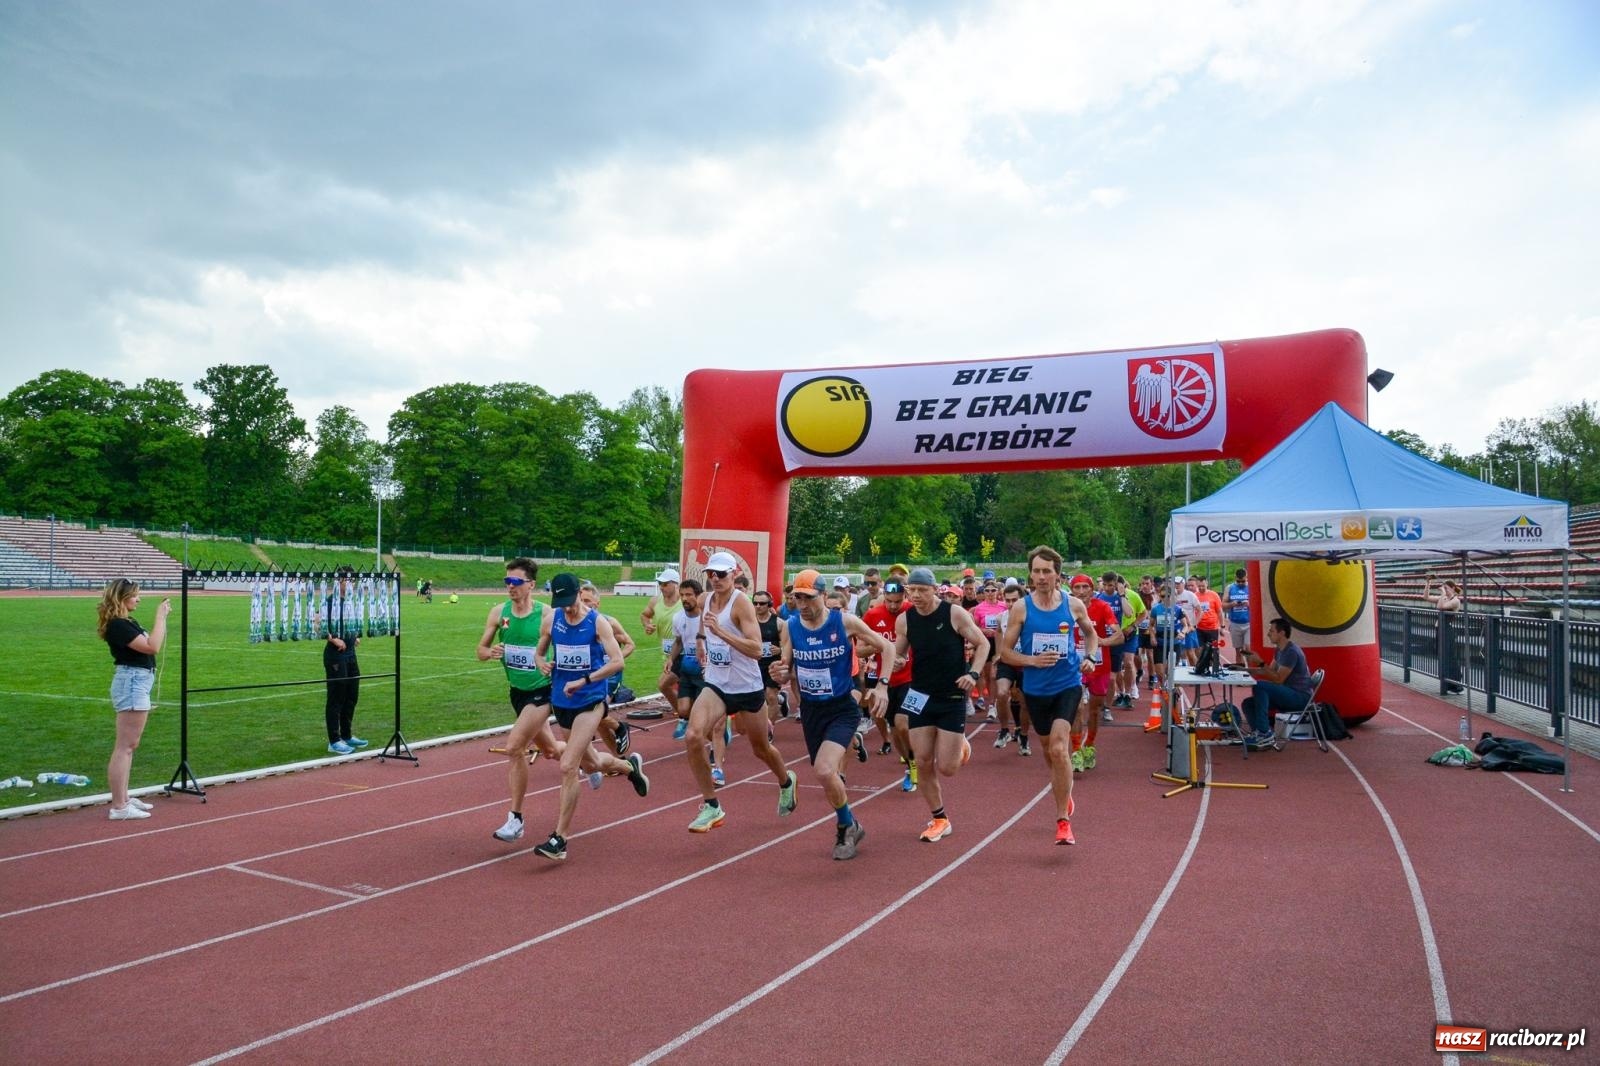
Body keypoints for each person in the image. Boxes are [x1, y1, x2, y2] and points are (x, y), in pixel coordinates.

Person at [769, 569, 893, 860]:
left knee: (825, 769)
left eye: (808, 598)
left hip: (842, 707)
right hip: (812, 710)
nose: (802, 604)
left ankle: (845, 826)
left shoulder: (844, 622)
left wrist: (883, 687)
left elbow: (886, 646)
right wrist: (781, 671)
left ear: (823, 596)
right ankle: (849, 823)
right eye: (797, 597)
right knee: (825, 775)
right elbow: (785, 664)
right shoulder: (791, 626)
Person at [528, 573, 650, 860]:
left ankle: (559, 839)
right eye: (561, 603)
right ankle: (629, 767)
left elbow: (618, 660)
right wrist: (542, 663)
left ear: (578, 595)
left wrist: (585, 680)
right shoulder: (552, 620)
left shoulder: (597, 622)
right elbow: (539, 652)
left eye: (570, 602)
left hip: (590, 701)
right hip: (562, 701)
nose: (567, 608)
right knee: (592, 763)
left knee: (568, 765)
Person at [685, 551, 798, 832]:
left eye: (721, 574)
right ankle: (711, 805)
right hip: (717, 683)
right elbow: (704, 623)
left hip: (747, 687)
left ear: (734, 574)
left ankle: (786, 781)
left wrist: (721, 634)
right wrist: (701, 640)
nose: (715, 578)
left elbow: (756, 648)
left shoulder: (742, 605)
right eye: (711, 574)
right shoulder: (704, 600)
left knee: (760, 748)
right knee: (693, 735)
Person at [1000, 546, 1100, 846]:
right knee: (1049, 751)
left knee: (1059, 749)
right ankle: (1062, 785)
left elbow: (1091, 634)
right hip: (1035, 689)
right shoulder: (1021, 608)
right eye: (1036, 571)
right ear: (1030, 574)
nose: (1041, 576)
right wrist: (1031, 661)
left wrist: (1091, 657)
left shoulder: (1072, 605)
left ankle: (1062, 821)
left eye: (1047, 571)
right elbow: (1005, 652)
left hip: (1067, 683)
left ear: (1058, 574)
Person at [893, 566, 988, 843]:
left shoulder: (953, 614)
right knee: (921, 760)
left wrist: (972, 673)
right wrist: (896, 661)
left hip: (951, 695)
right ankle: (939, 818)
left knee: (947, 768)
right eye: (913, 591)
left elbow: (982, 644)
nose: (917, 596)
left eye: (923, 590)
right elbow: (898, 653)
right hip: (920, 694)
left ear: (934, 590)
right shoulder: (905, 620)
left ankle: (961, 746)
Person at [479, 557, 567, 842]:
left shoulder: (547, 614)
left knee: (515, 746)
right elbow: (480, 649)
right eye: (507, 581)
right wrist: (490, 651)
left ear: (531, 585)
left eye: (515, 582)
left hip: (542, 691)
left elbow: (566, 646)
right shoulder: (498, 612)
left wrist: (551, 664)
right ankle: (612, 764)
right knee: (552, 750)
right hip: (517, 691)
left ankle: (515, 819)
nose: (510, 587)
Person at [99, 578, 169, 821]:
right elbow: (152, 647)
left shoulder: (126, 621)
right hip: (132, 682)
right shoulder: (118, 625)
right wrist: (160, 617)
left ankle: (124, 798)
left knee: (130, 745)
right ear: (122, 597)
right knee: (125, 746)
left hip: (137, 681)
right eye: (135, 595)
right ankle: (119, 806)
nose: (139, 599)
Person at [862, 578, 919, 788]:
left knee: (904, 723)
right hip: (884, 682)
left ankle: (916, 764)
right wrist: (883, 647)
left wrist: (903, 656)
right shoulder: (872, 615)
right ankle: (911, 762)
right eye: (889, 601)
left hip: (912, 678)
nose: (893, 606)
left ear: (904, 597)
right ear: (882, 597)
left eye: (897, 601)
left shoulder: (913, 612)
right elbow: (859, 648)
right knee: (895, 730)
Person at [1238, 618, 1314, 749]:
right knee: (1248, 703)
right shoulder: (1279, 650)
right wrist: (1245, 670)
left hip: (1299, 697)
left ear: (1282, 633)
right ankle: (1260, 734)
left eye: (1271, 631)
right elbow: (1270, 671)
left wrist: (1260, 662)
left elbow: (1278, 679)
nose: (1268, 634)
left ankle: (1264, 732)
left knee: (1260, 686)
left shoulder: (1291, 652)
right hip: (1288, 693)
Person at [322, 566, 367, 754]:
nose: (351, 583)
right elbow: (319, 622)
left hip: (350, 655)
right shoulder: (331, 601)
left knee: (351, 696)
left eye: (353, 580)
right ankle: (334, 741)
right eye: (348, 580)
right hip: (335, 655)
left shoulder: (350, 601)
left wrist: (353, 636)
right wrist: (333, 638)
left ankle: (347, 735)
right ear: (338, 582)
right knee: (336, 698)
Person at [642, 566, 684, 705]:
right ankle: (686, 711)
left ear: (676, 584)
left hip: (684, 652)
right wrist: (647, 625)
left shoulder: (684, 601)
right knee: (684, 687)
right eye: (660, 584)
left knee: (663, 684)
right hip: (668, 653)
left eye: (665, 584)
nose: (661, 587)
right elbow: (645, 615)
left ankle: (684, 714)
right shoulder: (655, 601)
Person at [1425, 576, 1466, 693]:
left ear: (1453, 588)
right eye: (1444, 589)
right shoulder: (1444, 598)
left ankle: (1456, 682)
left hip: (1447, 630)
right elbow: (1426, 597)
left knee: (1449, 656)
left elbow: (1440, 607)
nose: (1445, 591)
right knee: (1442, 655)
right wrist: (1428, 583)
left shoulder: (1455, 600)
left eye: (1447, 588)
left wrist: (1443, 593)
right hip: (1440, 629)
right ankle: (1448, 683)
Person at [1223, 568, 1250, 665]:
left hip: (1249, 623)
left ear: (1247, 578)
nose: (1241, 583)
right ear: (1235, 578)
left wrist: (1249, 604)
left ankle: (1250, 671)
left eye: (1243, 581)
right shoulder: (1230, 588)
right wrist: (1232, 604)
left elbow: (1259, 604)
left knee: (1248, 648)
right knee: (1239, 651)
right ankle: (1241, 671)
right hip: (1235, 623)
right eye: (1238, 581)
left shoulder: (1251, 587)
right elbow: (1223, 605)